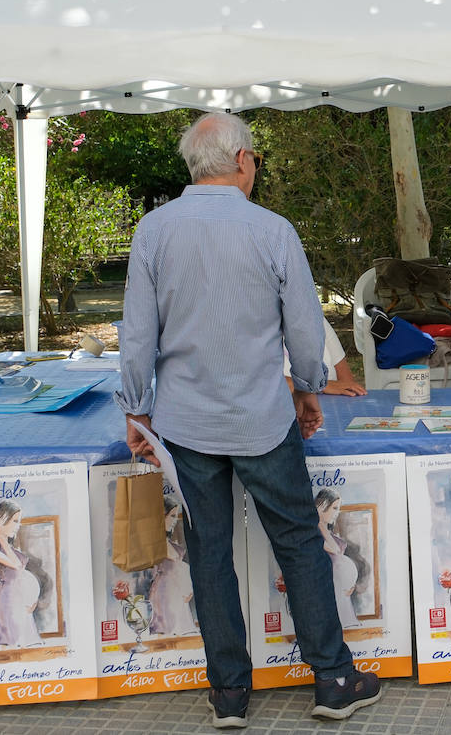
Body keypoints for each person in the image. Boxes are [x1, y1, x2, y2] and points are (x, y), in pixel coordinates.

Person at [118, 111, 380, 727]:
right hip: (262, 415)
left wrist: (135, 408)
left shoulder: (154, 230)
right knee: (299, 542)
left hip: (185, 422)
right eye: (256, 158)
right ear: (241, 160)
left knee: (208, 550)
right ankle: (333, 679)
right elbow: (304, 329)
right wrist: (309, 388)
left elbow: (137, 334)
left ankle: (229, 693)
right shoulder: (272, 230)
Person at [0, 501, 43, 648]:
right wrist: (1, 537)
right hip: (7, 604)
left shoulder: (9, 545)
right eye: (15, 521)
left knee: (25, 647)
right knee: (11, 647)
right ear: (2, 520)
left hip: (20, 604)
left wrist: (32, 600)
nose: (18, 525)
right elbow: (17, 566)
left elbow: (20, 575)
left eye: (18, 521)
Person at [148, 497, 197, 636]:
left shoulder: (175, 547)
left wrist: (188, 588)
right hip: (162, 601)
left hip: (178, 601)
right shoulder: (151, 546)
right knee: (164, 633)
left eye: (176, 516)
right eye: (172, 516)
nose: (175, 520)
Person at [285, 315, 366, 396]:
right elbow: (276, 384)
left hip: (335, 402)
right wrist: (320, 386)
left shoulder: (318, 319)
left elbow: (348, 384)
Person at [316, 489, 362, 629]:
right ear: (322, 506)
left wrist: (351, 584)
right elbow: (334, 550)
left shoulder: (330, 533)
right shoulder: (314, 533)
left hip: (343, 595)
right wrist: (319, 522)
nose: (337, 512)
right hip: (328, 592)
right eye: (334, 508)